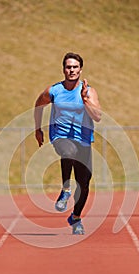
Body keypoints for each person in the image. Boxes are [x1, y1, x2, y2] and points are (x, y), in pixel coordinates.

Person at [34, 52, 102, 234]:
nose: (71, 70)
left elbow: (97, 117)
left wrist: (85, 99)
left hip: (84, 140)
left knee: (85, 183)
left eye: (75, 67)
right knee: (68, 150)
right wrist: (38, 129)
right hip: (60, 135)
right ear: (63, 69)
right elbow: (38, 105)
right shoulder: (54, 91)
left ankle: (76, 218)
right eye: (68, 67)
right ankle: (65, 189)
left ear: (80, 69)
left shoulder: (89, 91)